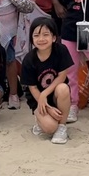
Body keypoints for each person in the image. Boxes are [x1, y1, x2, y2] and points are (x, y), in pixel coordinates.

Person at [21, 16, 74, 144]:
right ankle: (40, 121)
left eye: (46, 34)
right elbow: (32, 87)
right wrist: (45, 104)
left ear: (54, 37)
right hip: (37, 98)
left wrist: (45, 94)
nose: (41, 39)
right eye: (36, 35)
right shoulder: (29, 60)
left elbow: (62, 76)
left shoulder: (61, 50)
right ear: (32, 39)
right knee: (50, 128)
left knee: (63, 88)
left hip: (55, 93)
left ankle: (62, 127)